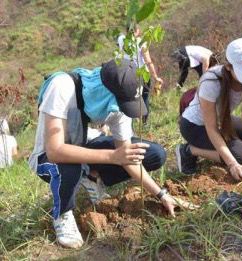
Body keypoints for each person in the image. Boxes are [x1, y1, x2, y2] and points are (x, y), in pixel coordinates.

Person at [28, 59, 180, 249]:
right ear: (107, 91)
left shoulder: (119, 104)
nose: (121, 108)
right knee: (71, 165)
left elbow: (127, 156)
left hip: (86, 144)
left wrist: (161, 194)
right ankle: (62, 214)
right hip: (48, 159)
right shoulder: (62, 86)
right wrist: (112, 157)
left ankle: (92, 178)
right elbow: (55, 151)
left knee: (154, 154)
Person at [175, 38, 242, 181]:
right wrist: (232, 164)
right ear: (228, 66)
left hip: (223, 119)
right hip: (195, 126)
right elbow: (212, 129)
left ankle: (229, 144)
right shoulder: (211, 82)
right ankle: (189, 150)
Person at [117, 24, 164, 123]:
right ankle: (144, 123)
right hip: (141, 73)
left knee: (129, 98)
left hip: (126, 73)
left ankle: (130, 122)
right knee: (144, 98)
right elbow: (148, 61)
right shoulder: (141, 42)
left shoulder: (121, 39)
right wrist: (156, 77)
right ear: (137, 30)